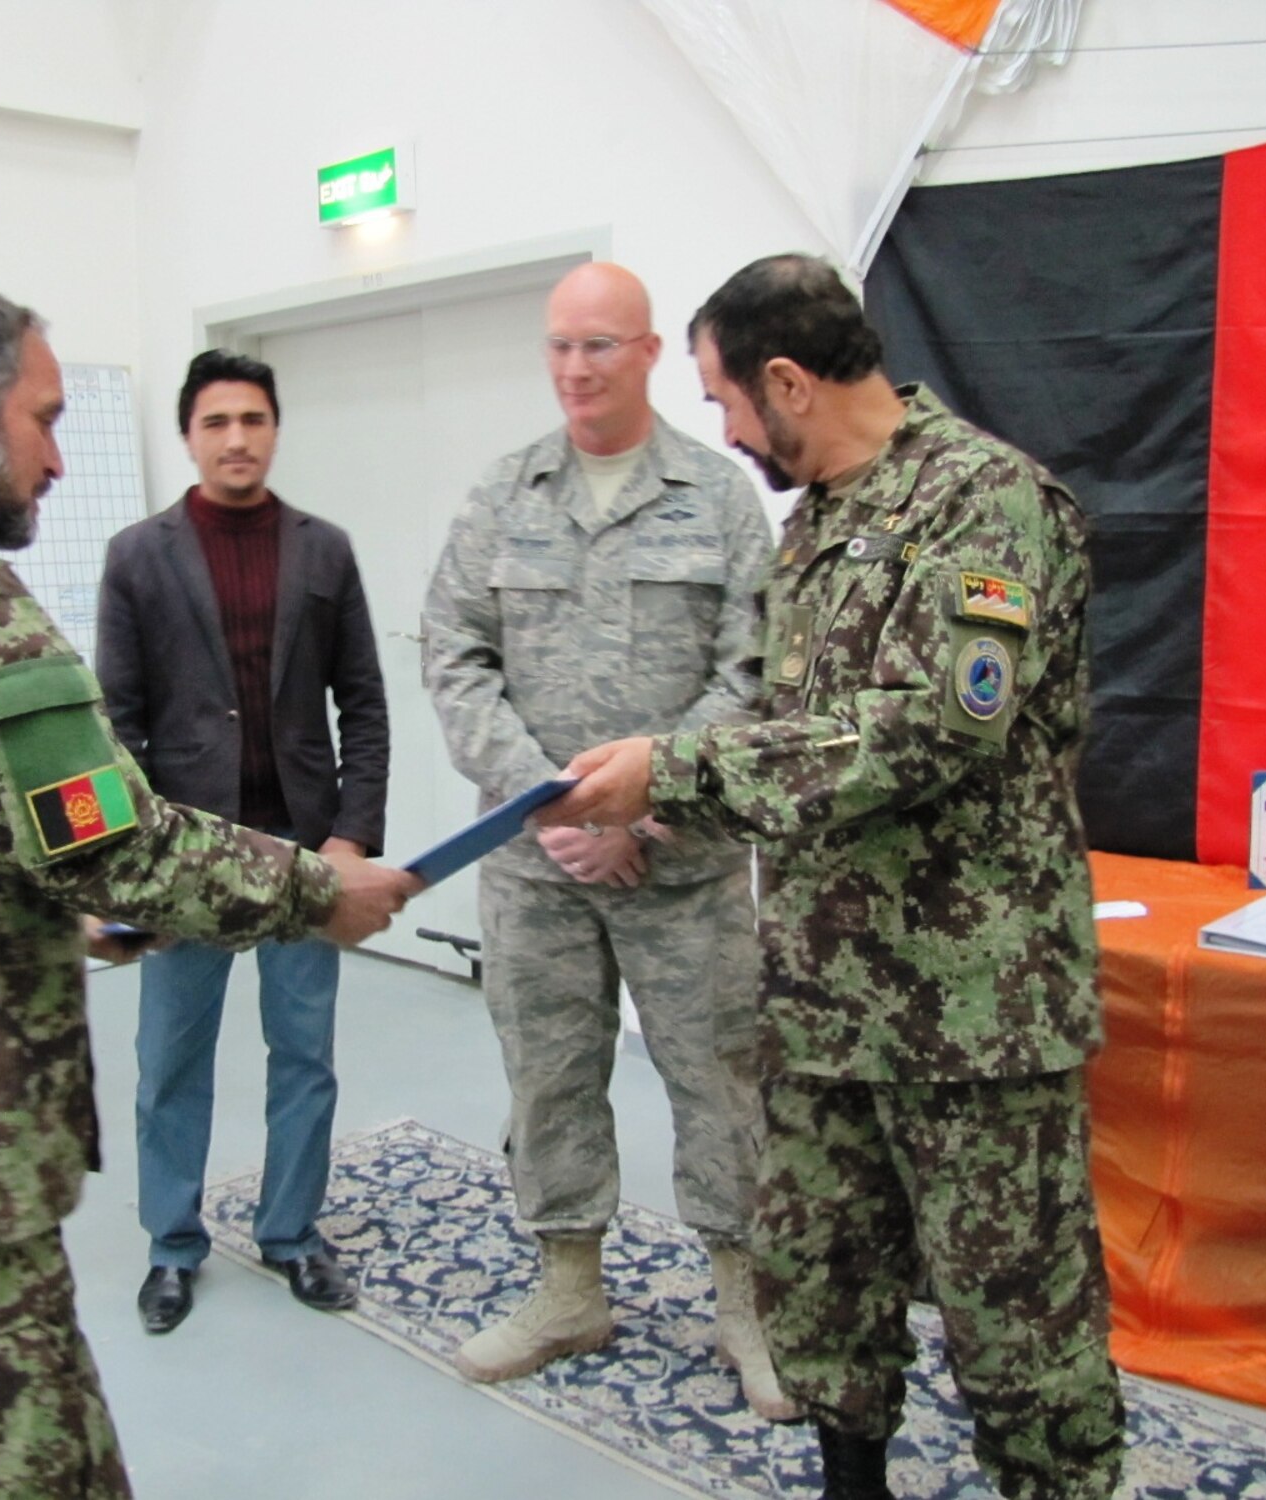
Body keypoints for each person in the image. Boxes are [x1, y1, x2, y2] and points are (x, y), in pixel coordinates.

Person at [0, 284, 415, 1500]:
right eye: (43, 418)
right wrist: (316, 892)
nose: (55, 455)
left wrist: (61, 908)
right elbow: (112, 838)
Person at [543, 254, 1126, 1500]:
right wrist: (647, 813)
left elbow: (931, 729)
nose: (728, 430)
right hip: (821, 1008)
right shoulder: (814, 531)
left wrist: (673, 773)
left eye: (725, 402)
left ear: (789, 382)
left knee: (1016, 1330)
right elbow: (777, 743)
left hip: (972, 1019)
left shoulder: (990, 507)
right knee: (825, 1288)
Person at [422, 262, 790, 1414]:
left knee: (721, 1084)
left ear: (645, 355)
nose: (574, 369)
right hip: (535, 871)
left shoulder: (720, 500)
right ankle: (568, 1287)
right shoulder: (500, 495)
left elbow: (755, 674)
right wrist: (550, 803)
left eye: (598, 346)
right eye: (558, 346)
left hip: (680, 868)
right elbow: (453, 653)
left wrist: (645, 805)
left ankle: (745, 1303)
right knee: (548, 1078)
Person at [97, 349, 390, 1335]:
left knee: (303, 1052)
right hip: (185, 858)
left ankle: (291, 1233)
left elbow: (364, 705)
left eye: (253, 419)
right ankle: (172, 1245)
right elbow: (118, 726)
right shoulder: (137, 556)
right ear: (188, 435)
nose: (236, 438)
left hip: (304, 850)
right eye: (216, 421)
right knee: (170, 1059)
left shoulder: (324, 550)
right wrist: (132, 867)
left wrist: (352, 835)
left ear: (274, 429)